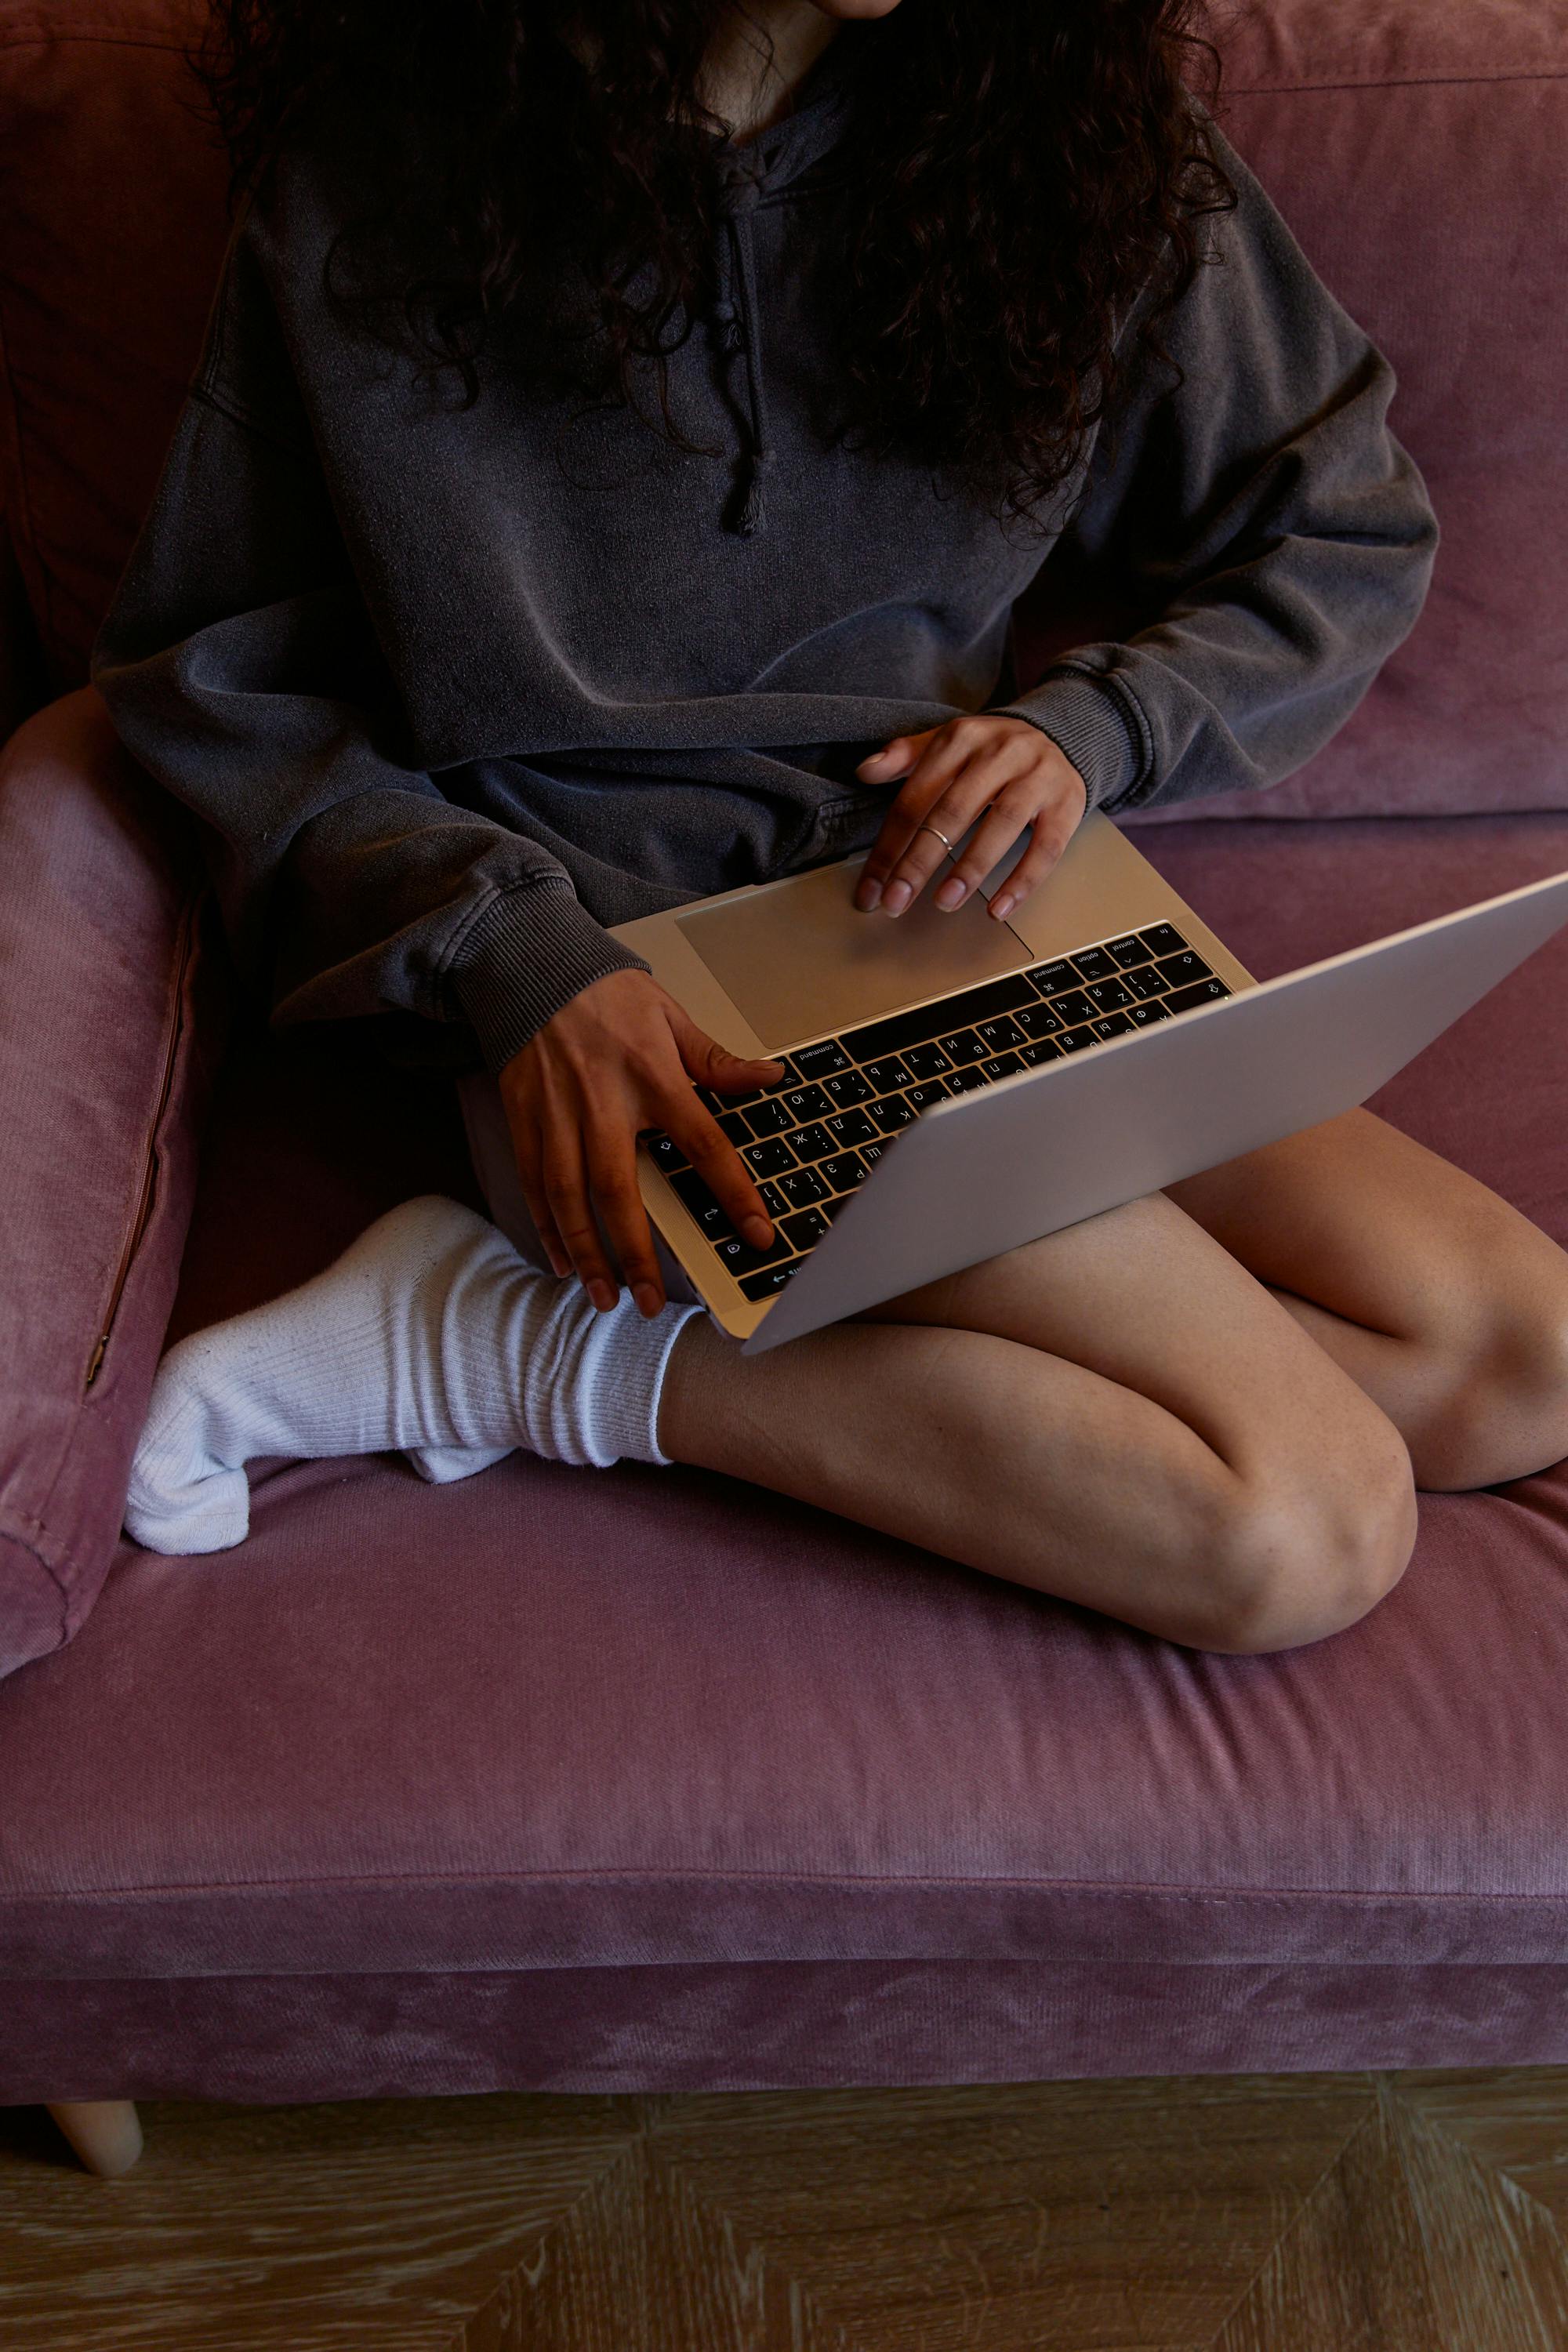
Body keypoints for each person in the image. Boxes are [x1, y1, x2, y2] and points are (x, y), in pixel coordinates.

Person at [95, 0, 1568, 1653]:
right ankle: (508, 1351)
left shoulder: (1072, 139)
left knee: (1521, 1363)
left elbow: (1342, 524)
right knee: (1298, 1526)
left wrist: (1096, 727)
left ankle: (597, 1334)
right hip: (630, 999)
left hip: (959, 914)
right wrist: (508, 955)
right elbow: (215, 674)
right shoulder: (380, 166)